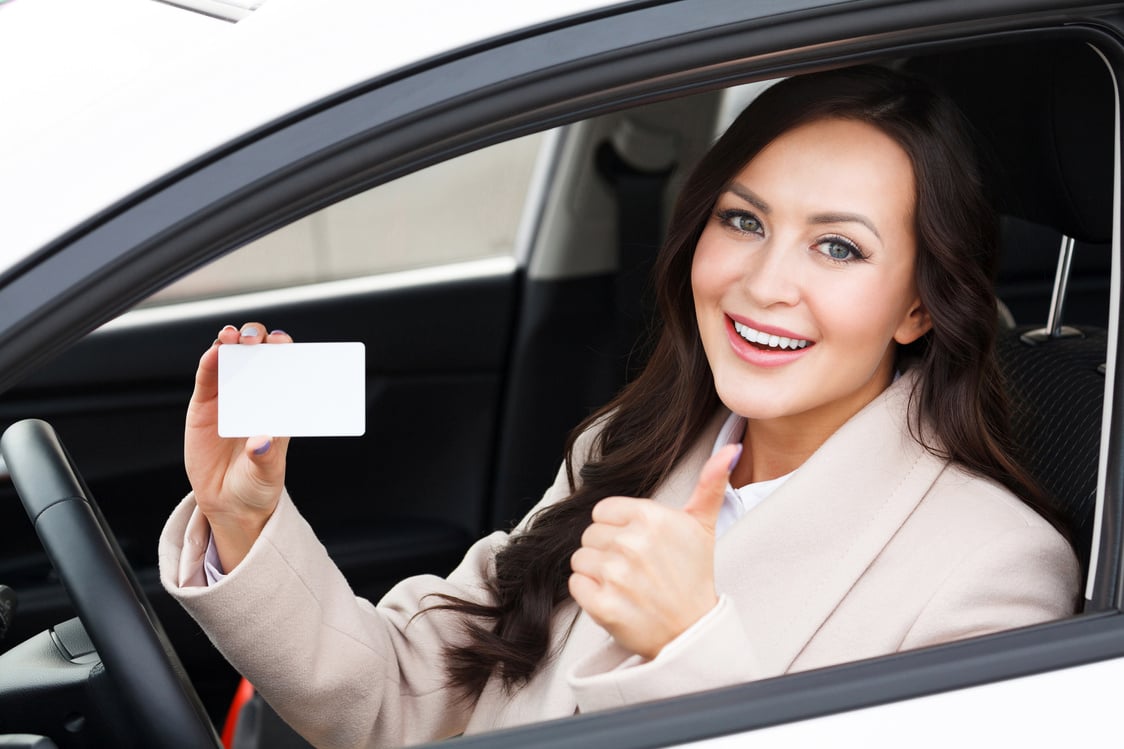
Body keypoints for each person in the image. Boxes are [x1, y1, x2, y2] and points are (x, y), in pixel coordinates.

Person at [159, 65, 1079, 749]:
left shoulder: (993, 572)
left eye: (838, 249)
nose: (763, 283)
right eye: (744, 220)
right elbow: (403, 700)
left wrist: (690, 651)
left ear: (918, 304)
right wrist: (246, 522)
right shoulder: (630, 446)